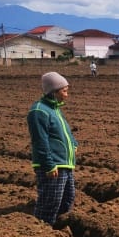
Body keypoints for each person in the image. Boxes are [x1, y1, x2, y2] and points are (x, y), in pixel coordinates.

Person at [27, 72, 78, 225]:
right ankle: (42, 232)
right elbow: (40, 141)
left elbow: (64, 131)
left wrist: (74, 144)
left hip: (65, 164)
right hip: (53, 166)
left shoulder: (54, 109)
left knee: (67, 199)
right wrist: (49, 165)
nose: (66, 95)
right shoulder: (39, 111)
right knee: (49, 203)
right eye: (64, 91)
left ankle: (56, 232)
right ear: (53, 91)